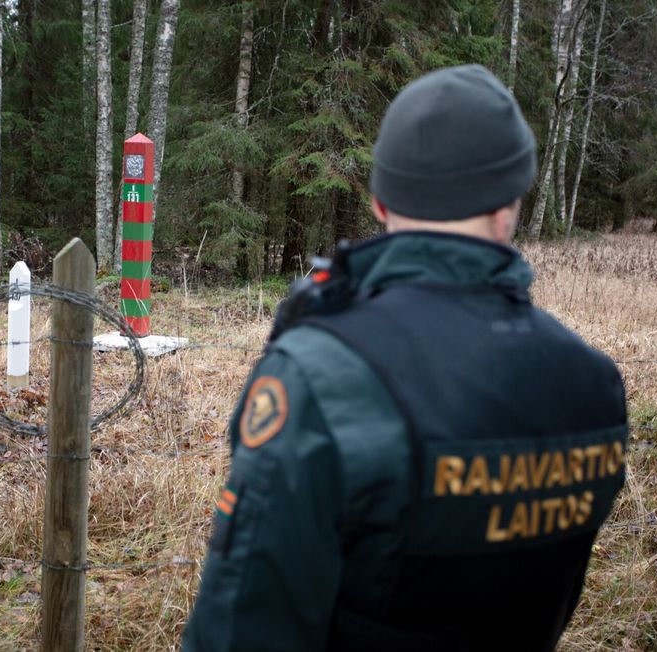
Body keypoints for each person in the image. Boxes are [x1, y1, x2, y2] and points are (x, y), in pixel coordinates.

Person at [182, 64, 628, 652]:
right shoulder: (594, 384)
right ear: (510, 203)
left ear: (379, 201)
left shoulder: (322, 377)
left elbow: (245, 625)